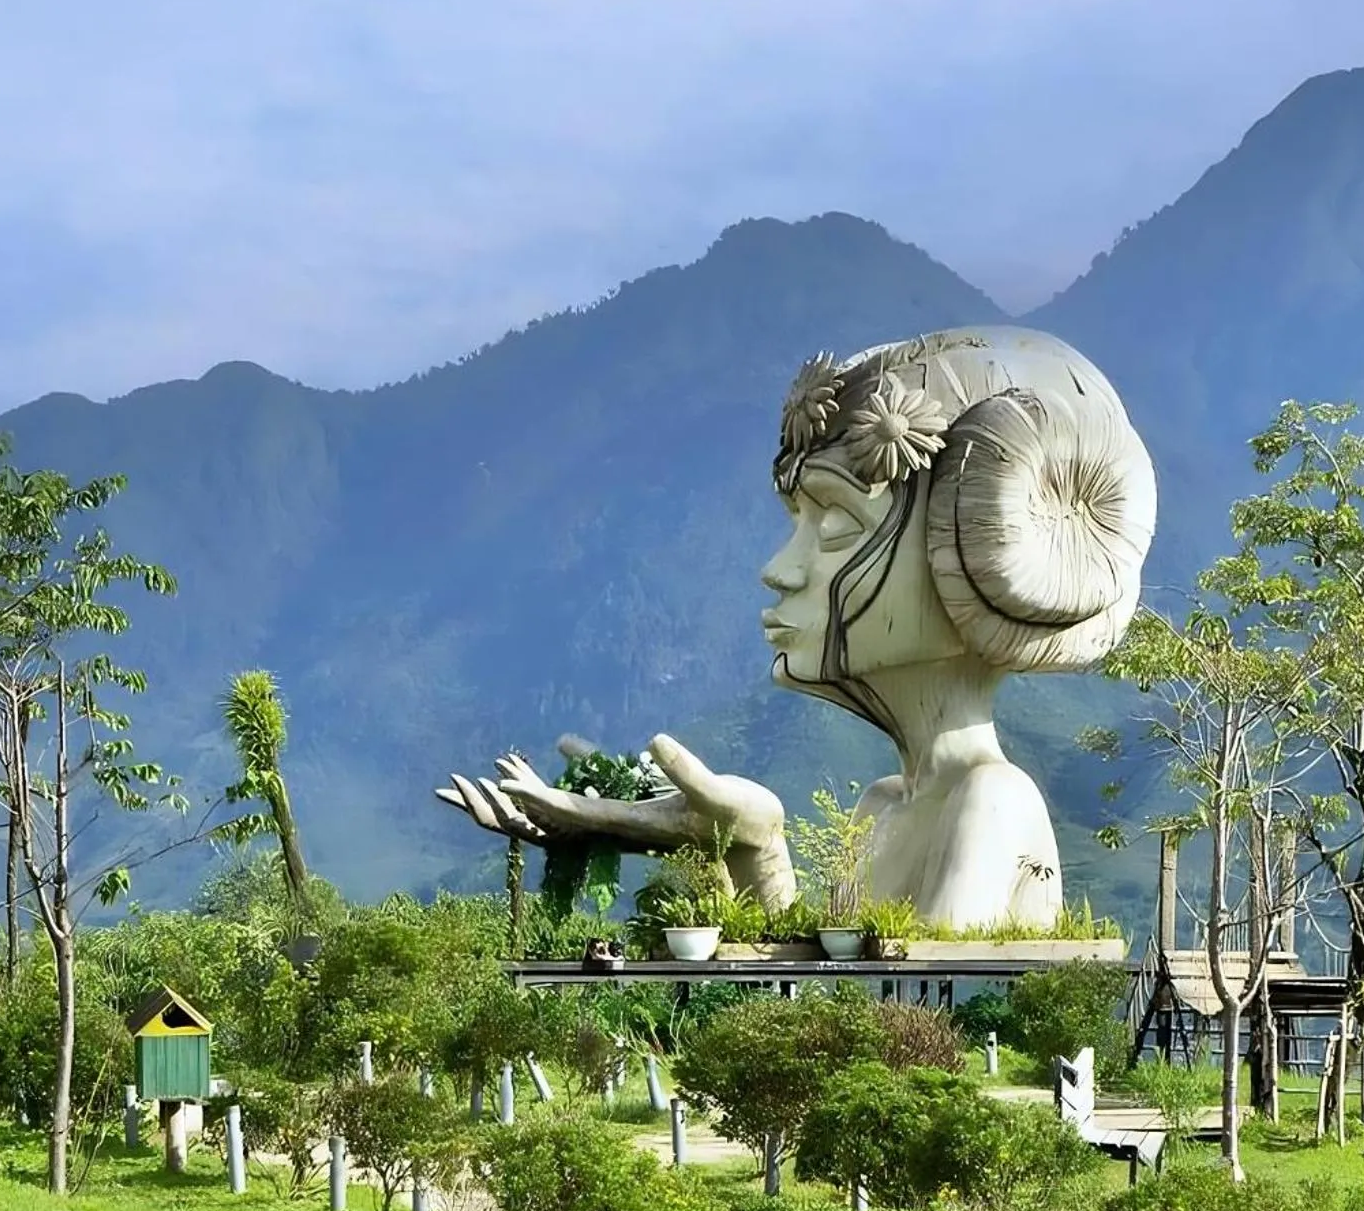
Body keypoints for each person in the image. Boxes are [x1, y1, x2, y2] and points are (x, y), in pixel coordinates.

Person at [437, 326, 1155, 929]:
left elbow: (908, 1023)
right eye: (796, 523)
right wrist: (751, 843)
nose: (781, 569)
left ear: (979, 539)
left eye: (837, 522)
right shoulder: (884, 803)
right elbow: (824, 992)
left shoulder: (991, 799)